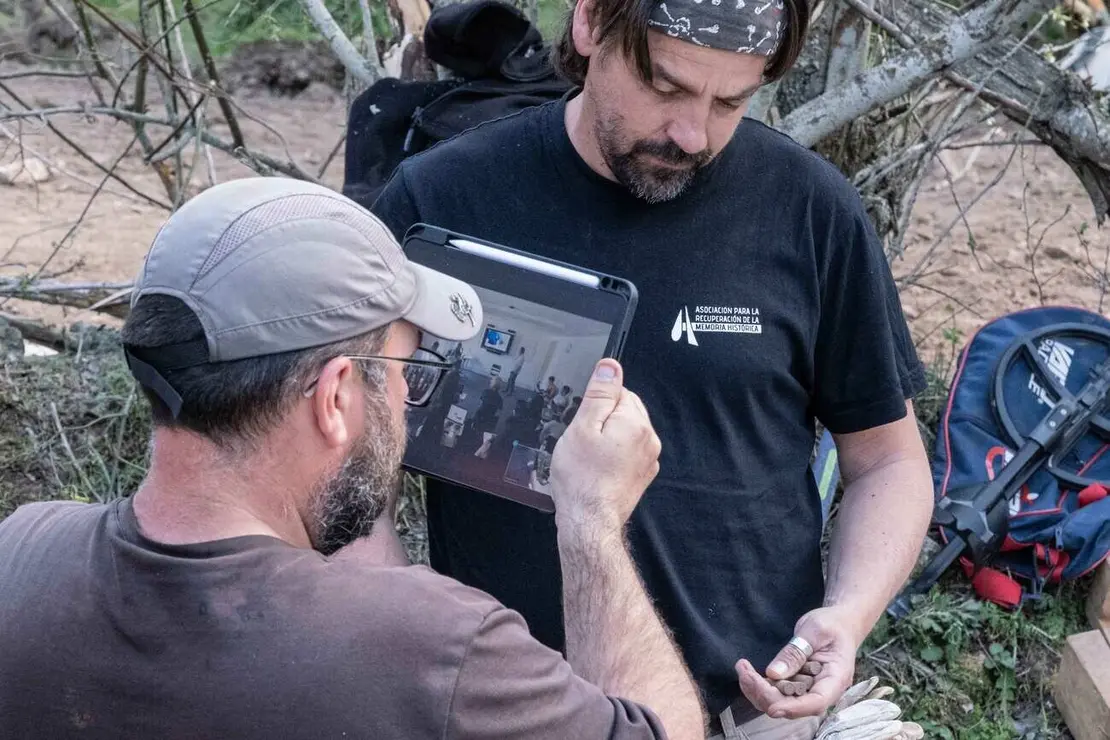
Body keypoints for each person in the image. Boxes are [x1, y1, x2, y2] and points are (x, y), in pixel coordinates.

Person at [370, 0, 935, 737]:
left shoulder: (810, 210)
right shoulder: (440, 202)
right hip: (511, 709)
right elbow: (350, 463)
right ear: (590, 25)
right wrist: (395, 621)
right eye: (665, 87)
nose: (691, 133)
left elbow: (888, 463)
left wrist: (849, 615)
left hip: (754, 706)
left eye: (730, 100)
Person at [0, 177, 707, 740]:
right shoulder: (439, 648)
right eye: (405, 372)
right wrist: (591, 518)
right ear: (335, 397)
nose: (406, 402)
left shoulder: (22, 552)